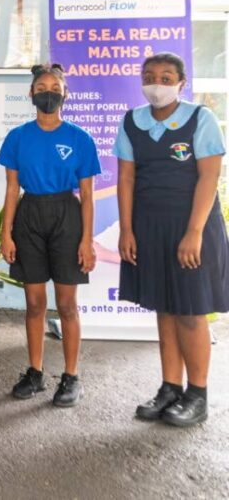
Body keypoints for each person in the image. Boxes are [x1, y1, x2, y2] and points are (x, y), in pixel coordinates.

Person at [116, 52, 228, 427]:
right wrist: (127, 229)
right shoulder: (132, 121)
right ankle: (170, 388)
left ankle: (198, 395)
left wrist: (194, 233)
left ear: (182, 83)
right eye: (149, 77)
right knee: (164, 307)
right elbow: (127, 178)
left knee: (190, 311)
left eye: (166, 78)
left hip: (191, 227)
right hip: (149, 227)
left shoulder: (201, 119)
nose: (157, 84)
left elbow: (209, 178)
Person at [0, 63, 100, 407]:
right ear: (31, 94)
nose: (47, 92)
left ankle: (71, 377)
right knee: (34, 303)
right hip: (29, 217)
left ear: (64, 94)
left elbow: (87, 196)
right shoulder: (17, 137)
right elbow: (12, 190)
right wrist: (6, 234)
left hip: (66, 217)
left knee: (67, 305)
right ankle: (36, 372)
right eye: (41, 87)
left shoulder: (80, 138)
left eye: (54, 87)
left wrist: (86, 240)